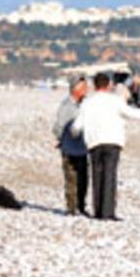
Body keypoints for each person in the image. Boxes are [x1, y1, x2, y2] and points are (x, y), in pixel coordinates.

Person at [71, 73, 140, 221]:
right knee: (110, 176)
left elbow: (76, 126)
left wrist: (72, 135)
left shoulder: (87, 103)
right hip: (112, 140)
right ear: (108, 85)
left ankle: (98, 212)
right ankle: (108, 212)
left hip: (94, 142)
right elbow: (133, 113)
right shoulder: (115, 100)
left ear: (94, 86)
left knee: (97, 176)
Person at [52, 76, 89, 216]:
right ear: (75, 89)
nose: (86, 90)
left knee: (84, 179)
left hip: (83, 148)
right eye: (84, 87)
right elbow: (58, 127)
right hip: (69, 148)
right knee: (71, 179)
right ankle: (71, 208)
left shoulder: (85, 104)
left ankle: (81, 206)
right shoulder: (66, 106)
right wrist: (62, 140)